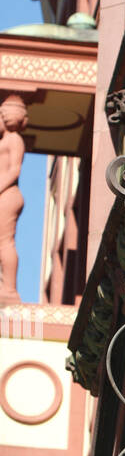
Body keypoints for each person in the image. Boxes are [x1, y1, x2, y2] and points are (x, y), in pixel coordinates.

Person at [0, 95, 28, 301]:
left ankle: (9, 289)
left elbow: (15, 170)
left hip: (7, 195)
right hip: (4, 193)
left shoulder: (14, 139)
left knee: (4, 242)